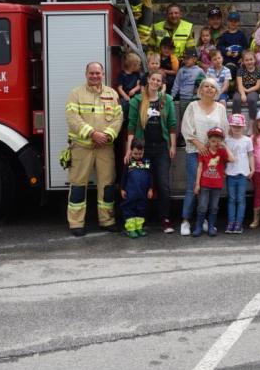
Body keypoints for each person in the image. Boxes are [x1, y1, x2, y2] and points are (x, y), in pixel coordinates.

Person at [65, 62, 122, 236]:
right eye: (91, 73)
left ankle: (107, 221)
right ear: (86, 74)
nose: (95, 76)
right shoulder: (76, 94)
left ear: (103, 74)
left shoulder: (111, 94)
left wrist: (106, 136)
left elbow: (118, 118)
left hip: (105, 147)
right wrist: (92, 134)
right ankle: (76, 223)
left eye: (98, 73)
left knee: (107, 185)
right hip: (82, 147)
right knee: (78, 185)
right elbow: (72, 118)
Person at [125, 70, 177, 232]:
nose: (155, 82)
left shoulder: (166, 100)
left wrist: (172, 146)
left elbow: (172, 124)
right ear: (148, 80)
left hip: (161, 148)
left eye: (158, 80)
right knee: (140, 184)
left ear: (162, 83)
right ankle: (142, 218)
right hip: (143, 149)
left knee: (163, 184)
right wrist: (129, 150)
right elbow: (131, 126)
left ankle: (165, 218)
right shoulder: (137, 100)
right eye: (153, 79)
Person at [180, 78, 229, 236]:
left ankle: (203, 221)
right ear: (200, 90)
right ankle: (185, 220)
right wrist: (199, 144)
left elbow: (225, 130)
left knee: (208, 187)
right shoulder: (192, 106)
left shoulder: (220, 108)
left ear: (216, 91)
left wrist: (215, 148)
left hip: (213, 155)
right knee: (194, 185)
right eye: (205, 86)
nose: (209, 89)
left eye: (212, 87)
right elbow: (185, 128)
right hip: (195, 151)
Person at [193, 127, 233, 237]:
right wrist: (197, 184)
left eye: (218, 141)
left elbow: (232, 159)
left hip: (217, 185)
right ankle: (198, 227)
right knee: (202, 206)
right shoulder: (204, 152)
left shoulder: (222, 152)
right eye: (213, 141)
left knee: (214, 207)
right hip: (204, 184)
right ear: (209, 140)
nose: (215, 143)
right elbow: (200, 168)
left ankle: (211, 226)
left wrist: (225, 146)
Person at [224, 113, 254, 234]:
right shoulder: (226, 140)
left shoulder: (247, 140)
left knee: (241, 199)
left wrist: (253, 169)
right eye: (234, 126)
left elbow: (251, 155)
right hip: (230, 173)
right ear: (230, 126)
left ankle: (239, 223)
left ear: (244, 127)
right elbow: (223, 157)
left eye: (239, 126)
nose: (237, 128)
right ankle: (231, 222)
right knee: (231, 198)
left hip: (242, 173)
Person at [120, 140, 153, 238]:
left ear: (143, 151)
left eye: (140, 153)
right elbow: (124, 176)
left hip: (143, 192)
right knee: (129, 209)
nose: (138, 155)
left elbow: (150, 176)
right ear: (131, 151)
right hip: (131, 192)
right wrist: (122, 189)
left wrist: (151, 188)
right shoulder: (129, 162)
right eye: (135, 153)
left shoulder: (146, 162)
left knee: (141, 209)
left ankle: (139, 227)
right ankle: (131, 229)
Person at [173, 48, 204, 121]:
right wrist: (172, 96)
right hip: (183, 99)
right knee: (184, 118)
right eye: (184, 58)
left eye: (188, 58)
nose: (185, 60)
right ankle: (183, 132)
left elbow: (204, 83)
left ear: (195, 59)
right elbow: (176, 84)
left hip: (196, 99)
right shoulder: (181, 70)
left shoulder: (200, 71)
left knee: (196, 118)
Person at [233, 51, 260, 122]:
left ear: (255, 60)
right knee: (236, 99)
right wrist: (243, 94)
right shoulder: (240, 70)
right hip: (241, 89)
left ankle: (252, 121)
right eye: (246, 60)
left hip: (253, 90)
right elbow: (239, 84)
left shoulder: (258, 71)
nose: (249, 62)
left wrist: (247, 91)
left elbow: (257, 86)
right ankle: (236, 120)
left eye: (251, 59)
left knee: (252, 99)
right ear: (243, 61)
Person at [116, 52, 143, 120]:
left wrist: (134, 90)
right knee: (123, 105)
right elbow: (120, 88)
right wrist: (126, 96)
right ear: (133, 65)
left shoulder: (137, 74)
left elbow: (139, 85)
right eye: (138, 65)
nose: (140, 67)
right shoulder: (122, 75)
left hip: (135, 95)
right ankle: (124, 121)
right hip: (125, 97)